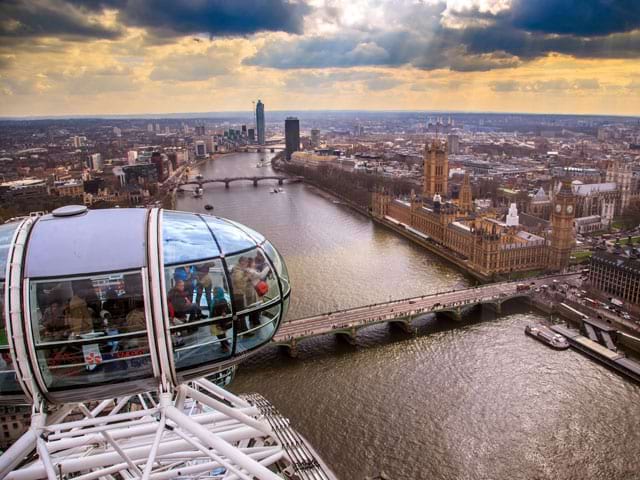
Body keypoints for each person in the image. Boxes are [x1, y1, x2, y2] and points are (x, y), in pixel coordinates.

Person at [210, 286, 231, 352]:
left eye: (215, 292)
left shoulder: (218, 300)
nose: (213, 293)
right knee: (222, 333)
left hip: (217, 322)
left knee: (219, 334)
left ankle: (224, 346)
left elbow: (222, 311)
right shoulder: (222, 299)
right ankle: (225, 342)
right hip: (219, 321)